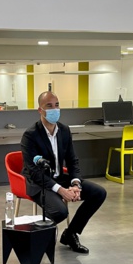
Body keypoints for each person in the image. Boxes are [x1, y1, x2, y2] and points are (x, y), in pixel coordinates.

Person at [21, 91, 107, 254]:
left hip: (60, 178)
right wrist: (61, 191)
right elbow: (34, 172)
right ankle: (38, 242)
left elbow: (72, 160)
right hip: (40, 183)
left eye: (57, 105)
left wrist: (75, 183)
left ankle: (71, 233)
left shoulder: (64, 130)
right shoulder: (30, 135)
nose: (54, 109)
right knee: (60, 212)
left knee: (98, 193)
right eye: (49, 106)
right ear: (40, 110)